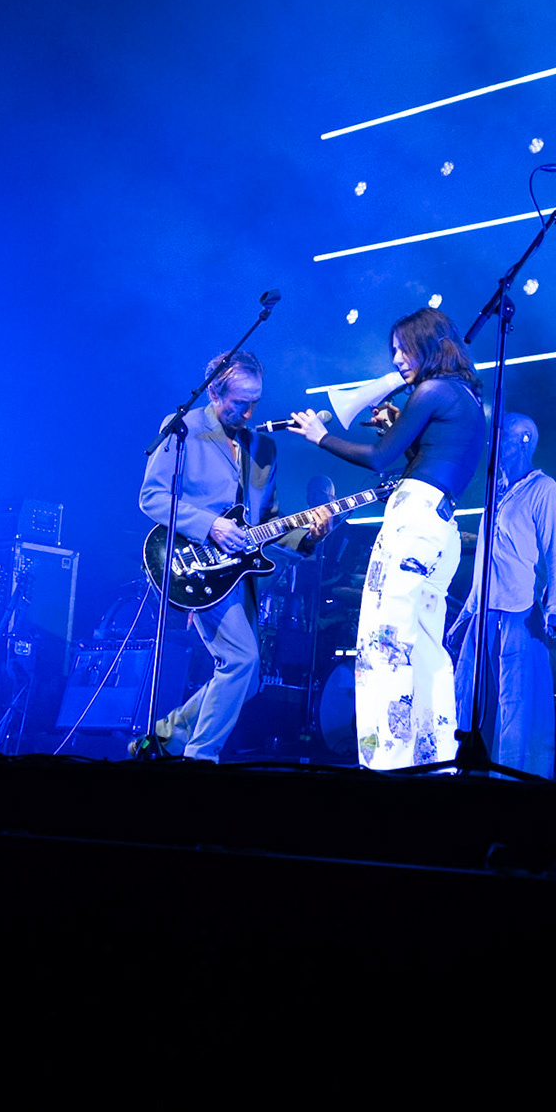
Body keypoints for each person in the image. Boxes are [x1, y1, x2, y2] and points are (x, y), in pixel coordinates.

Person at [289, 308, 486, 769]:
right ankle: (434, 759)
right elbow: (433, 454)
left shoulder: (431, 390)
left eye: (403, 349)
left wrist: (321, 437)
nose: (397, 359)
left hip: (412, 519)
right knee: (427, 649)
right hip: (441, 529)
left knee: (385, 642)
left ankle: (386, 762)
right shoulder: (465, 396)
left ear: (428, 345)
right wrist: (400, 425)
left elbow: (380, 458)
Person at [138, 350, 331, 761]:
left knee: (250, 677)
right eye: (240, 402)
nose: (248, 413)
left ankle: (166, 739)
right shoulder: (183, 428)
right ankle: (199, 758)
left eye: (255, 402)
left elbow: (270, 523)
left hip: (239, 575)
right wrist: (210, 524)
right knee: (241, 660)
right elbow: (152, 497)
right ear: (213, 392)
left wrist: (308, 536)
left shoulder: (263, 448)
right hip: (192, 564)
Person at [447, 413, 556, 779]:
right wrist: (465, 617)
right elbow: (485, 562)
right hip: (484, 612)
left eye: (503, 438)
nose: (495, 446)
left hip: (519, 612)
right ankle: (467, 775)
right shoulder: (497, 491)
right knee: (470, 700)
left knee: (515, 706)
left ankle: (512, 782)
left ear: (524, 441)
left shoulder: (544, 489)